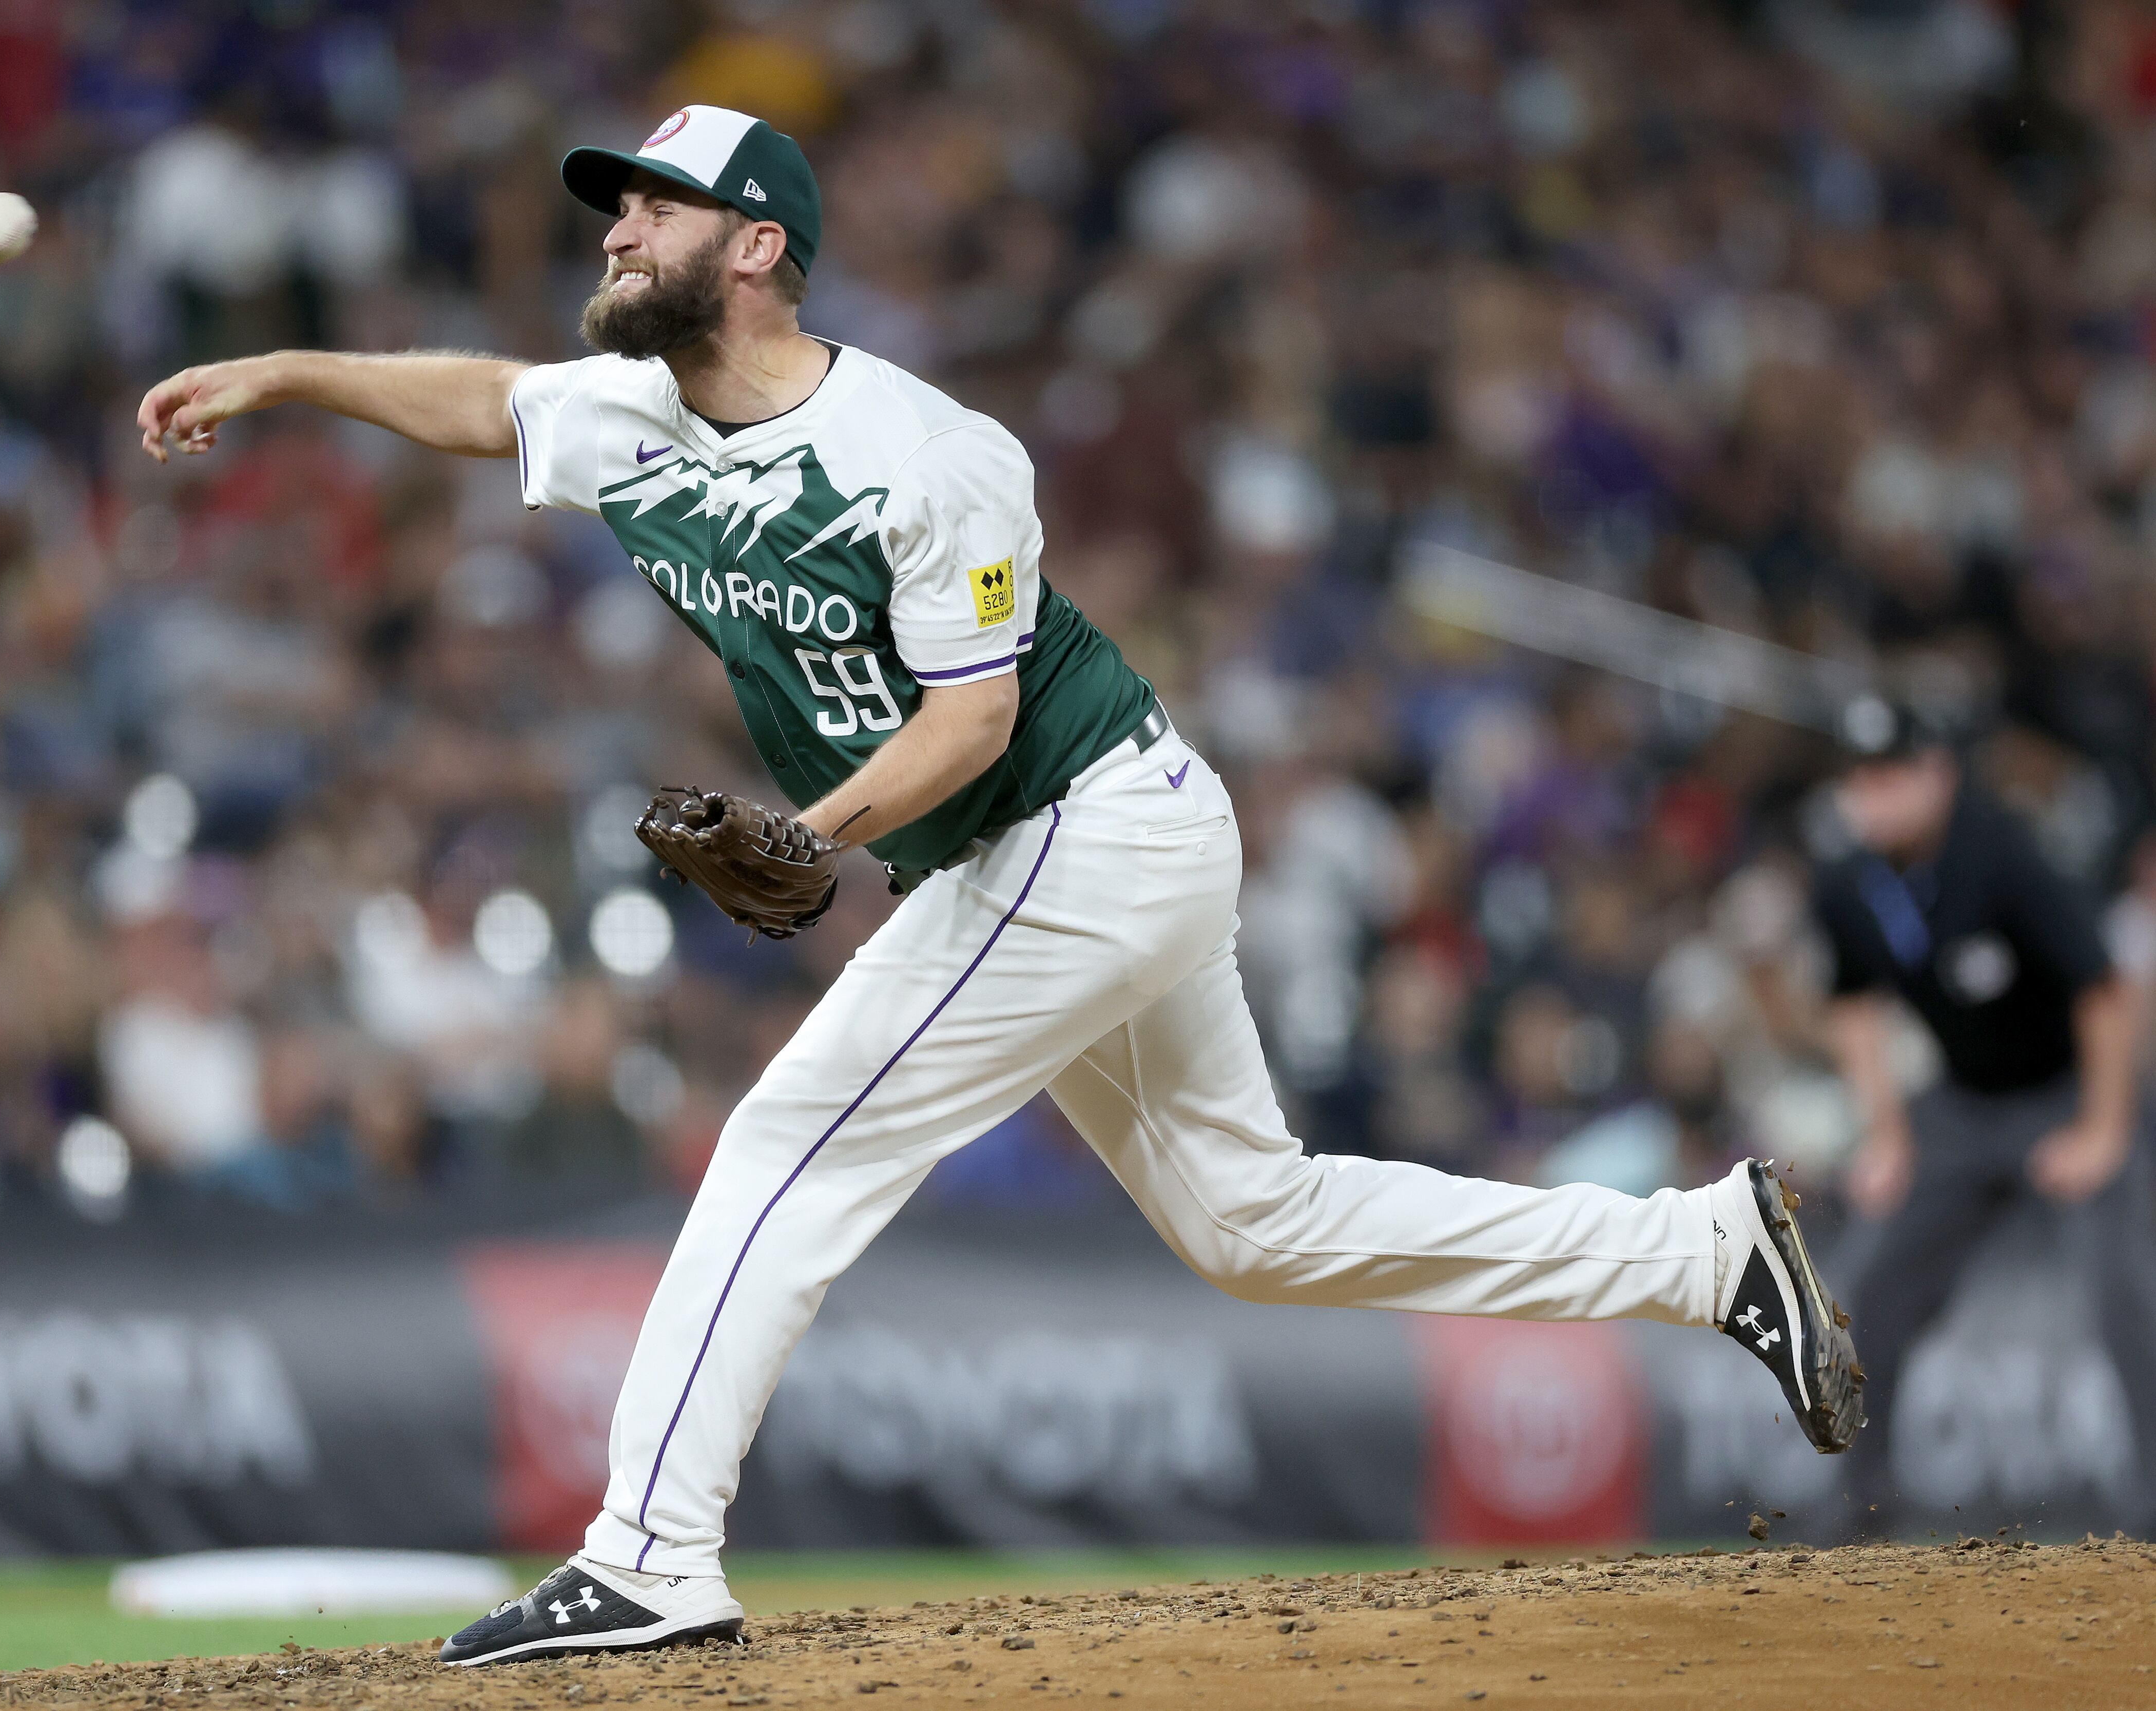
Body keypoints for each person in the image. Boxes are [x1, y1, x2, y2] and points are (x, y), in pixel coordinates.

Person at [135, 104, 1863, 1666]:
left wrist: (812, 842)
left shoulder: (928, 449)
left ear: (758, 248)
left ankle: (652, 1554)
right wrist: (283, 371)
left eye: (652, 208)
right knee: (1255, 1224)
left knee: (789, 1138)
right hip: (1060, 851)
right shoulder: (626, 415)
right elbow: (482, 400)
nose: (613, 233)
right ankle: (1709, 1251)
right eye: (618, 209)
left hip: (1084, 826)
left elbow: (967, 723)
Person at [1814, 696, 2156, 1532]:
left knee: (2130, 1292)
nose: (1875, 795)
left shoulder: (2000, 851)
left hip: (2066, 1091)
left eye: (1893, 773)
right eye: (1861, 777)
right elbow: (1853, 1005)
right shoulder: (1849, 877)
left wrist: (2104, 1130)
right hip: (1963, 1107)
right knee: (1871, 1292)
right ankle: (1862, 1505)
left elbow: (2105, 990)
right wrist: (1888, 1134)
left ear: (1938, 772)